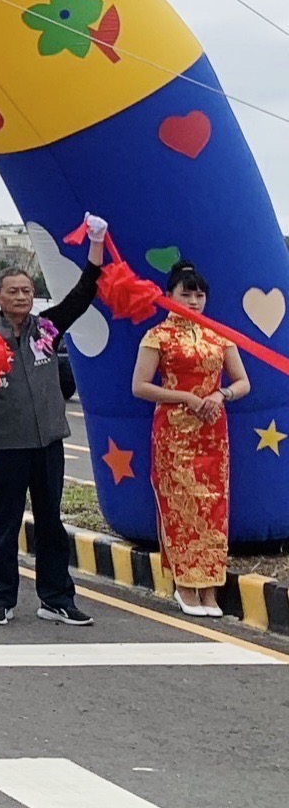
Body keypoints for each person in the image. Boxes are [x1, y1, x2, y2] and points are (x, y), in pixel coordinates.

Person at [0, 220, 106, 627]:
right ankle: (2, 598)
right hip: (7, 445)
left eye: (27, 290)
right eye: (14, 291)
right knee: (6, 524)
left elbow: (84, 293)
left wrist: (95, 242)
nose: (22, 297)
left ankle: (56, 598)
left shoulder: (48, 328)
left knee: (51, 523)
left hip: (48, 443)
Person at [132, 262, 247, 616]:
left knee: (214, 507)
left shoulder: (220, 335)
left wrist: (220, 395)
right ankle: (185, 586)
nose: (194, 301)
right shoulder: (158, 336)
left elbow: (243, 382)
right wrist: (185, 397)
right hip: (174, 433)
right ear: (169, 296)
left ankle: (210, 590)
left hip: (212, 431)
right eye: (186, 294)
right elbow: (140, 386)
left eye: (199, 294)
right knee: (180, 505)